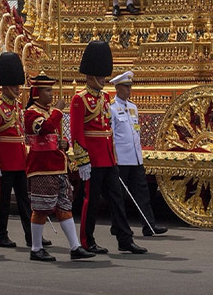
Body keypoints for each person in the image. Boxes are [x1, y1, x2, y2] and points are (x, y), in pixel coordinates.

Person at [70, 40, 144, 254]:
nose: (103, 79)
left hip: (108, 158)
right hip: (92, 159)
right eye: (100, 75)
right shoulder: (79, 99)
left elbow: (108, 131)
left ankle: (124, 239)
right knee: (90, 202)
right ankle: (87, 240)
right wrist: (82, 160)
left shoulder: (105, 98)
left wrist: (114, 157)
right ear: (90, 75)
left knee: (117, 199)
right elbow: (76, 133)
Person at [23, 73, 93, 261]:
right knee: (40, 208)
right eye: (47, 90)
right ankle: (36, 248)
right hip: (42, 167)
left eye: (52, 89)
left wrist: (63, 143)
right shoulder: (31, 113)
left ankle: (75, 246)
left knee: (64, 206)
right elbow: (44, 128)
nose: (51, 94)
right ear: (36, 93)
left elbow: (54, 135)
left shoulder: (49, 111)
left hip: (58, 166)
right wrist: (58, 111)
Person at [109, 71, 165, 237]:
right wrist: (113, 157)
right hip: (121, 158)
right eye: (126, 87)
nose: (129, 90)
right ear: (118, 88)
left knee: (143, 193)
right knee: (119, 195)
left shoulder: (133, 107)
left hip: (135, 157)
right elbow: (110, 135)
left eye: (130, 87)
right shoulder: (112, 108)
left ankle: (149, 225)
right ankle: (117, 226)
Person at [0, 52, 31, 249]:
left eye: (18, 86)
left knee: (24, 201)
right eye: (14, 86)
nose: (17, 89)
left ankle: (31, 234)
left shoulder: (17, 108)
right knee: (2, 202)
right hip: (4, 163)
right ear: (5, 86)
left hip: (19, 162)